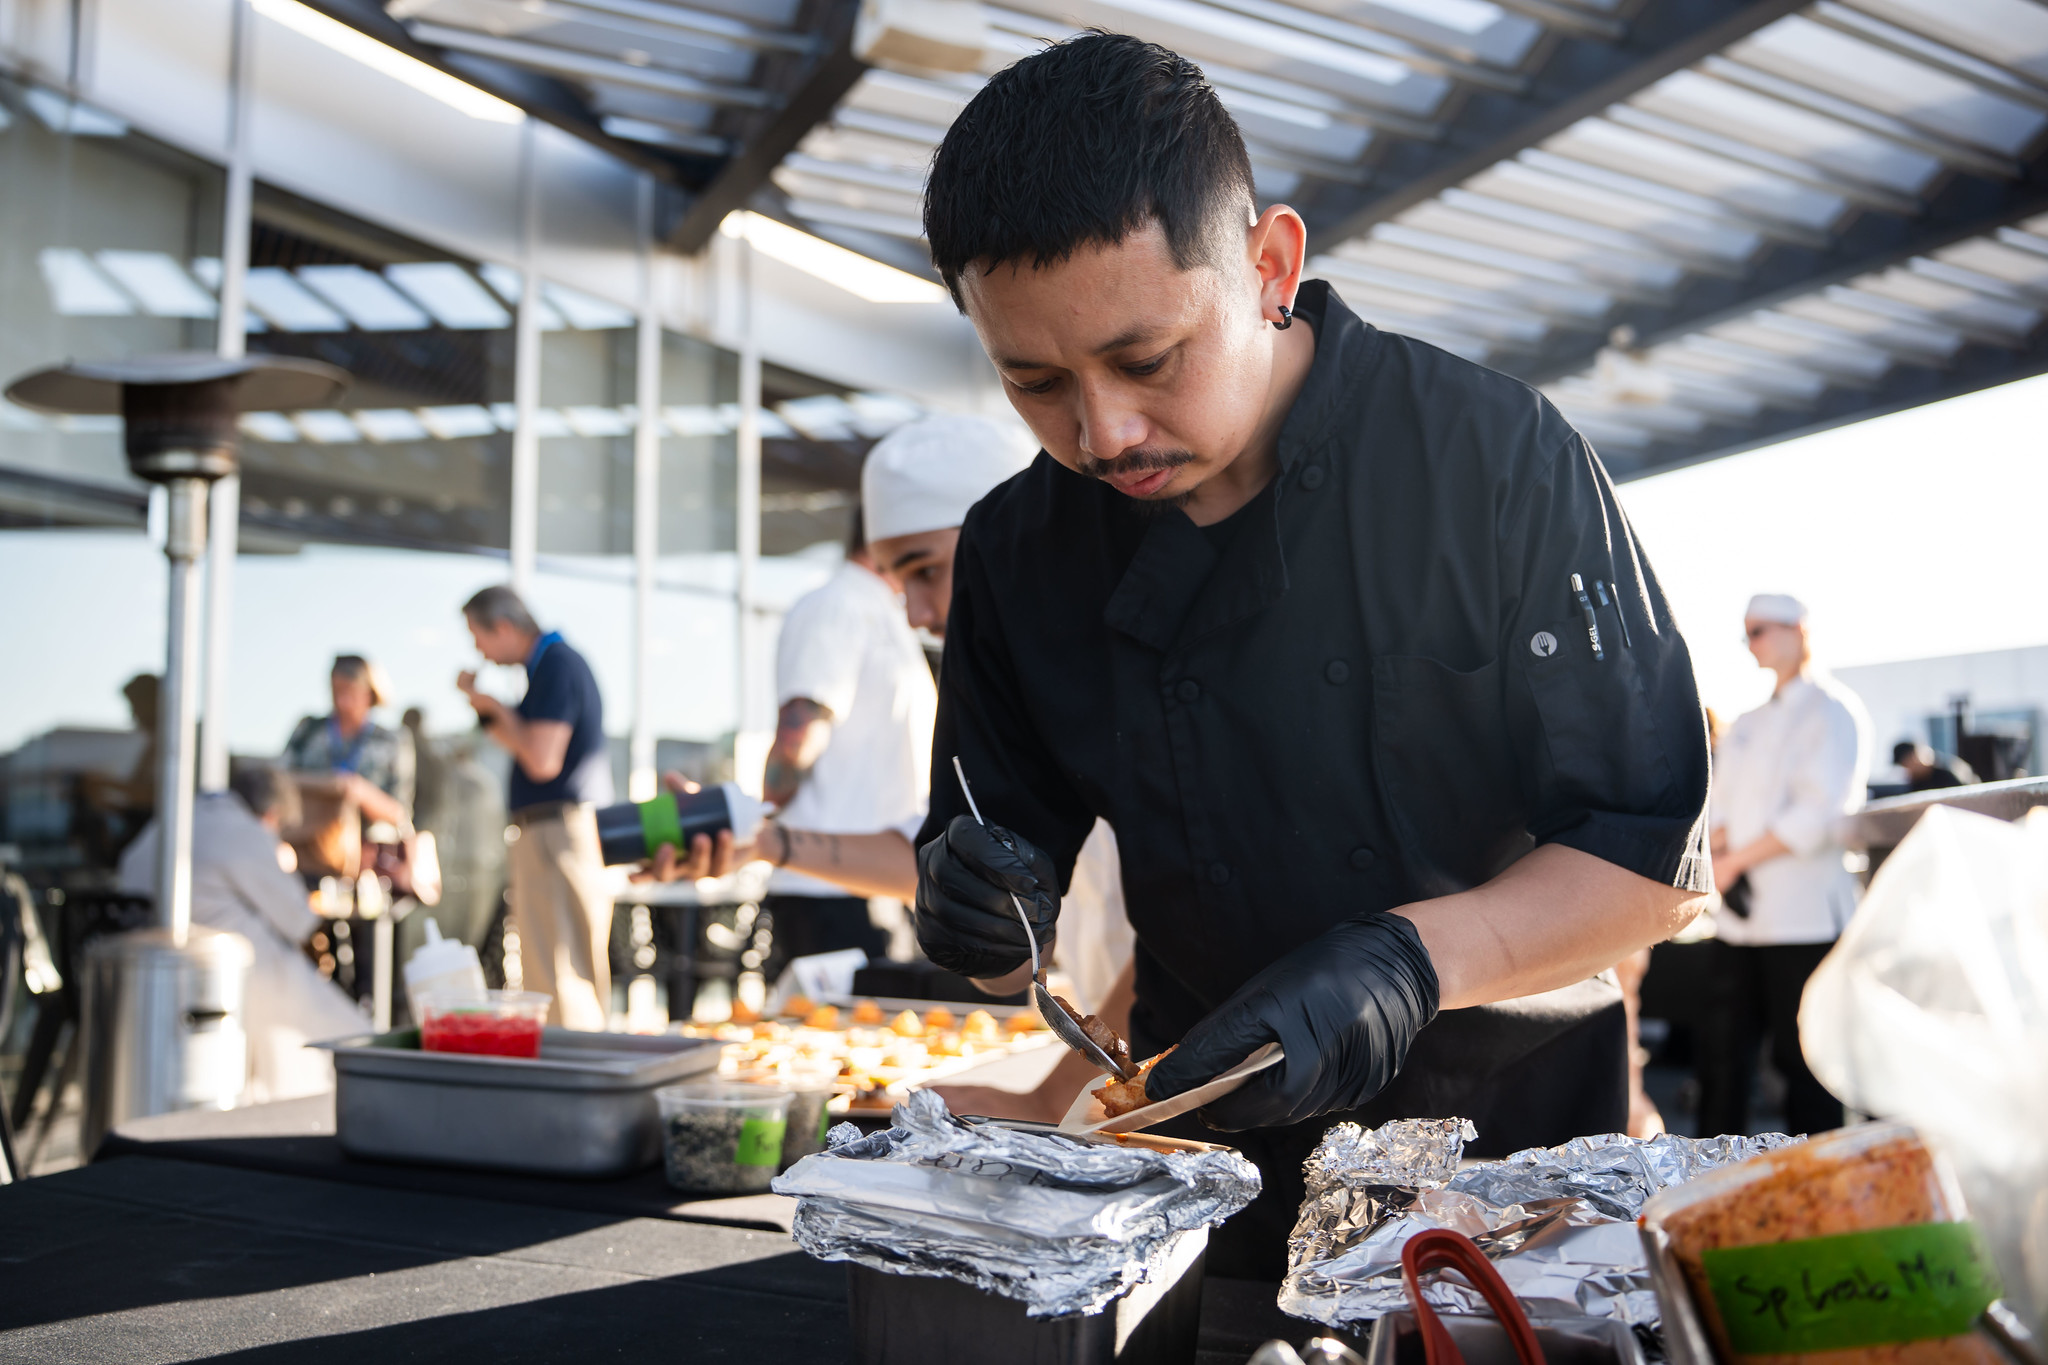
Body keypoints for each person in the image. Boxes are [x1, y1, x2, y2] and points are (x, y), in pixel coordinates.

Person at [898, 34, 1712, 1278]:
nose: (1102, 431)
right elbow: (1011, 905)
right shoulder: (1017, 547)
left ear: (1269, 265)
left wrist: (1405, 963)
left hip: (1510, 1188)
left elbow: (1646, 861)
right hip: (1199, 1186)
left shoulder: (1489, 459)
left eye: (1144, 359)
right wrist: (981, 914)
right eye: (1034, 382)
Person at [1703, 593, 1870, 1137]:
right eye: (1746, 633)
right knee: (1721, 1063)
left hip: (1804, 918)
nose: (1751, 643)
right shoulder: (1748, 721)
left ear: (1798, 630)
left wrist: (1730, 863)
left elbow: (1818, 813)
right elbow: (1721, 807)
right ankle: (1704, 1191)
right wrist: (1720, 859)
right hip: (1738, 919)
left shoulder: (1834, 710)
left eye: (1760, 631)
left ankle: (1820, 1193)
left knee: (1809, 1066)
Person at [758, 506, 937, 976]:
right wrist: (761, 825)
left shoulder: (884, 613)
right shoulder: (836, 605)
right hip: (826, 891)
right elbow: (798, 739)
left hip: (876, 882)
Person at [118, 764, 367, 1101]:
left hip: (144, 976)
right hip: (213, 978)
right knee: (351, 1036)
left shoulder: (179, 819)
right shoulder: (243, 831)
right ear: (273, 813)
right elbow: (299, 922)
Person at [456, 586, 614, 1030]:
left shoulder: (557, 665)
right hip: (548, 831)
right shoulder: (548, 666)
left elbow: (541, 759)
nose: (478, 650)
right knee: (548, 968)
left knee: (561, 969)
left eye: (478, 636)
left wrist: (493, 707)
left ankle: (578, 1078)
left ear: (503, 627)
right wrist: (490, 712)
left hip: (556, 832)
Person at [282, 654, 414, 831]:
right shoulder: (308, 730)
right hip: (309, 836)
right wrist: (326, 785)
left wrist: (359, 791)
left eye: (349, 692)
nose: (341, 701)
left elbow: (400, 813)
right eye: (336, 691)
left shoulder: (392, 741)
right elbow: (279, 781)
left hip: (367, 845)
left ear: (369, 693)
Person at [1893, 740, 1974, 792]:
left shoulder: (1948, 769)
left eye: (1906, 765)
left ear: (1913, 757)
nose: (1907, 770)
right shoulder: (1917, 781)